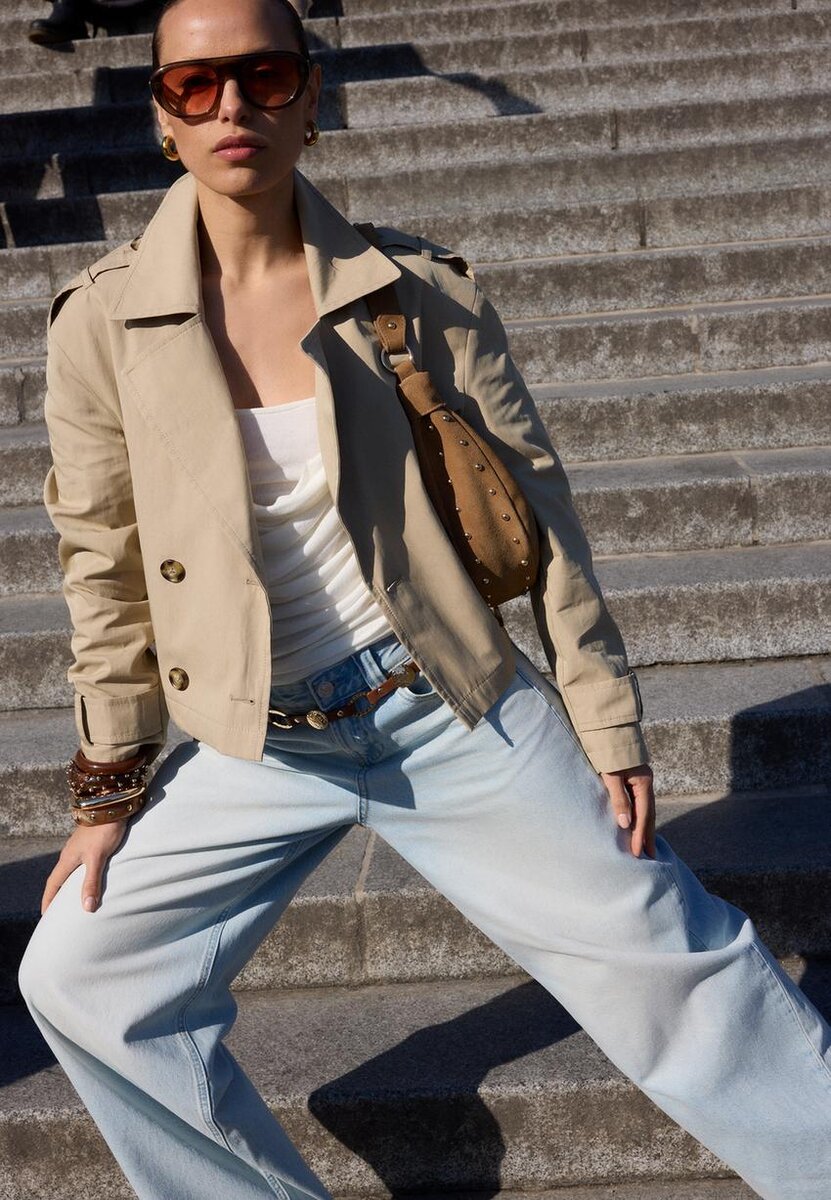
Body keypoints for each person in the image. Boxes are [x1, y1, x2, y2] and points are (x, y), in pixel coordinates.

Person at [16, 0, 831, 1197]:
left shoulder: (416, 289)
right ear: (161, 117)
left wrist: (604, 715)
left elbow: (541, 516)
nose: (232, 104)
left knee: (675, 961)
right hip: (257, 737)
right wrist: (108, 791)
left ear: (311, 97)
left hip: (448, 703)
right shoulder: (101, 322)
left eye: (265, 74)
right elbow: (104, 566)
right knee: (76, 975)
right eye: (195, 84)